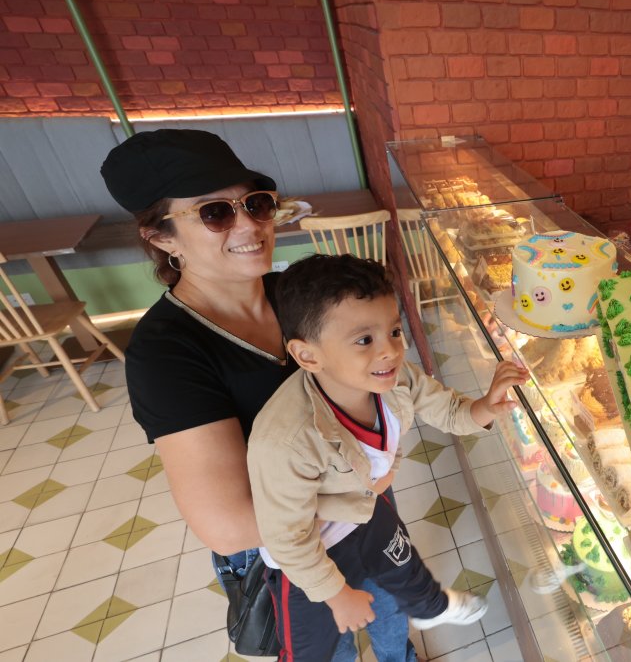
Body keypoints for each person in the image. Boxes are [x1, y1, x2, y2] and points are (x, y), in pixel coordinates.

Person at [100, 129, 478, 661]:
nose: (251, 226)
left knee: (390, 610)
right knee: (330, 646)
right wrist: (364, 486)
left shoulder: (293, 295)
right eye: (215, 213)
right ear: (161, 237)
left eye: (256, 204)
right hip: (290, 548)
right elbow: (227, 525)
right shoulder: (167, 352)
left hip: (362, 500)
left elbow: (378, 370)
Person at [247, 254, 528, 659]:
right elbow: (286, 537)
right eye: (365, 340)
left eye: (394, 331)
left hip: (366, 512)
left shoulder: (398, 381)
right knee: (320, 647)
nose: (391, 352)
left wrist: (486, 404)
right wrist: (337, 594)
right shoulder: (288, 439)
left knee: (399, 579)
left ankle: (425, 616)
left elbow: (449, 411)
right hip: (311, 552)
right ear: (308, 356)